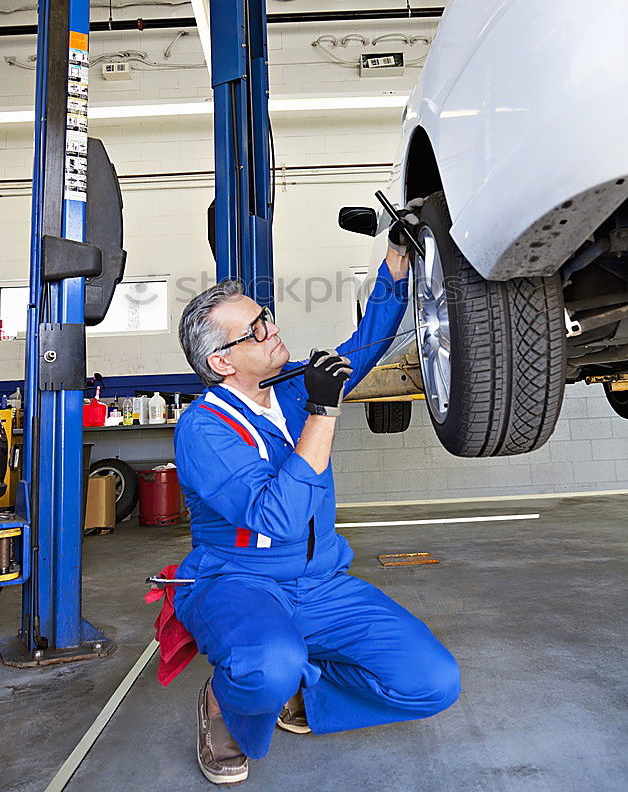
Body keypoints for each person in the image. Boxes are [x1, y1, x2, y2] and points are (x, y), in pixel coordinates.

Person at [173, 204, 460, 784]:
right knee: (266, 664)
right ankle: (228, 704)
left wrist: (396, 265)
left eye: (268, 317)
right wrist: (325, 411)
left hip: (321, 583)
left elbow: (367, 343)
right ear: (220, 361)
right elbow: (274, 517)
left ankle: (303, 694)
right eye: (257, 330)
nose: (273, 329)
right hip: (238, 583)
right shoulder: (203, 429)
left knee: (433, 682)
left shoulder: (294, 388)